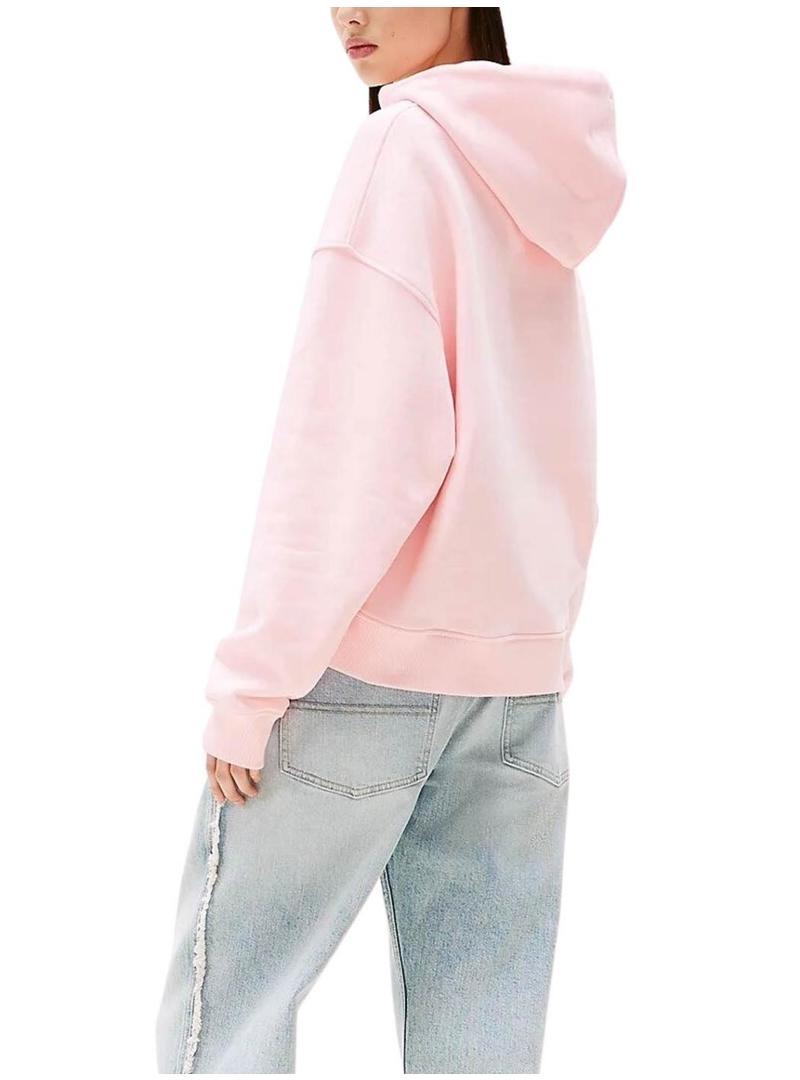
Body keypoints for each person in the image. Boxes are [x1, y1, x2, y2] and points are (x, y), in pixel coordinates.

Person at [155, 7, 626, 1074]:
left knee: (225, 1018)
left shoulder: (404, 144)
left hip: (358, 679)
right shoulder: (543, 169)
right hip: (516, 684)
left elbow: (352, 446)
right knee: (481, 1041)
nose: (348, 13)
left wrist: (254, 679)